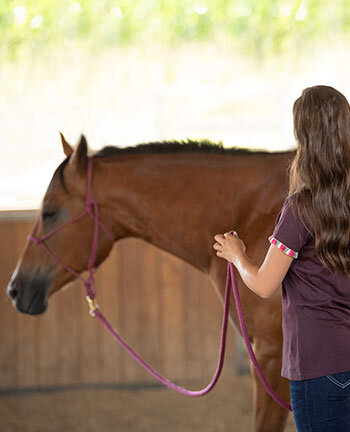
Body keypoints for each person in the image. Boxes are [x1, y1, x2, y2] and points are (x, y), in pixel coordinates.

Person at [213, 85, 350, 431]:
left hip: (317, 366)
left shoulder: (300, 208)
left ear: (303, 137)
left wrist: (238, 256)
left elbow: (263, 284)